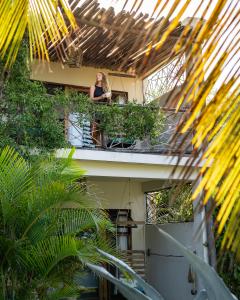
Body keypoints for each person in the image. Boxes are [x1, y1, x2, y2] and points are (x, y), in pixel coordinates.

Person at [89, 72, 111, 146]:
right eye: (96, 75)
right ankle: (92, 144)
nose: (97, 76)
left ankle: (102, 145)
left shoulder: (107, 89)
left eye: (99, 75)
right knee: (94, 128)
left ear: (103, 77)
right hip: (95, 109)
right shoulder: (93, 87)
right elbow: (91, 99)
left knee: (103, 128)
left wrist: (108, 97)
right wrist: (101, 97)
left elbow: (109, 103)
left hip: (104, 110)